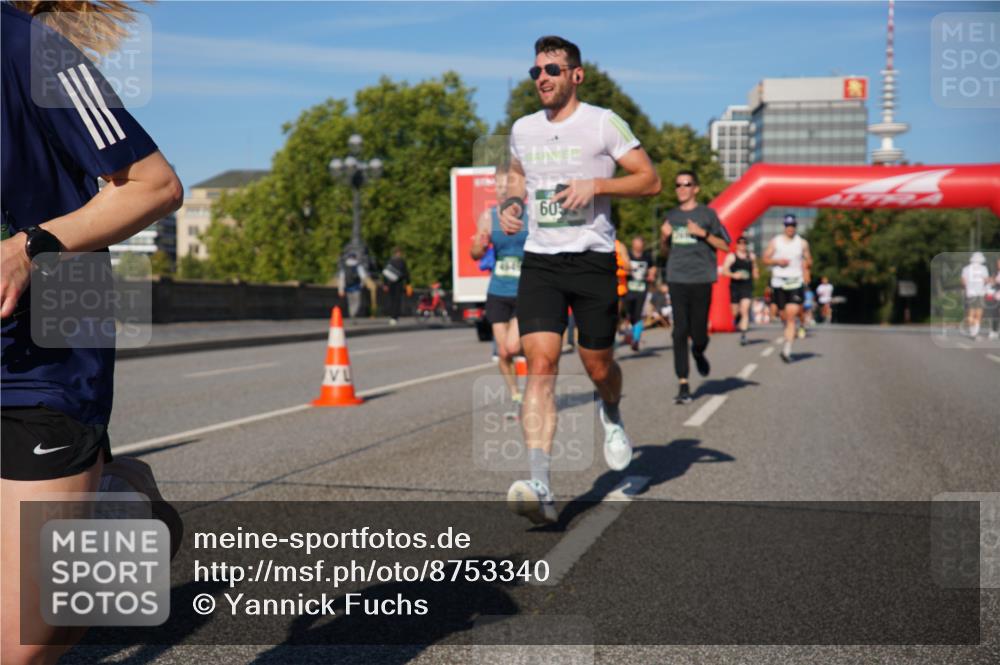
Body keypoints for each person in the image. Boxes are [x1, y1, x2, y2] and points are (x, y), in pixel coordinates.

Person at [1, 2, 184, 662]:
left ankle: (114, 496)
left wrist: (30, 246)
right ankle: (107, 504)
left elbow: (154, 185)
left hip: (41, 351)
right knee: (58, 622)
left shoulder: (33, 51)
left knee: (22, 643)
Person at [500, 35, 661, 525]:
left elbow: (649, 179)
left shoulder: (602, 122)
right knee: (541, 364)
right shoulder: (523, 129)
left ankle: (610, 411)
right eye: (536, 72)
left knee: (597, 367)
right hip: (541, 263)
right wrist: (510, 204)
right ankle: (540, 484)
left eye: (551, 69)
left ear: (576, 75)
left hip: (592, 261)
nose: (542, 79)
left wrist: (598, 184)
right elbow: (515, 175)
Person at [660, 170, 731, 404]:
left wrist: (703, 233)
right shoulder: (671, 215)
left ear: (696, 188)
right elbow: (664, 252)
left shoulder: (708, 214)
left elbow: (725, 245)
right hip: (676, 278)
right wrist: (663, 238)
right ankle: (683, 383)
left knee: (698, 332)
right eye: (678, 184)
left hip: (701, 279)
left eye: (686, 184)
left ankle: (699, 351)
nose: (681, 188)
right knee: (679, 330)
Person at [471, 163, 528, 407]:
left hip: (526, 289)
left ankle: (536, 382)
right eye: (499, 185)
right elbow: (474, 253)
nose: (503, 191)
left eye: (508, 185)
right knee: (503, 352)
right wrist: (480, 246)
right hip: (498, 290)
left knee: (515, 345)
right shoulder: (489, 216)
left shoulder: (531, 215)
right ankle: (516, 393)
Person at [763, 214, 812, 363]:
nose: (790, 228)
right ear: (784, 227)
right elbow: (765, 259)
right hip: (779, 282)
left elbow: (809, 259)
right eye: (787, 225)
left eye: (792, 225)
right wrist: (777, 261)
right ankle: (788, 333)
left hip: (795, 282)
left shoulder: (802, 243)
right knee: (784, 316)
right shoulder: (776, 241)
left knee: (792, 315)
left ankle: (787, 349)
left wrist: (806, 265)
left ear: (795, 226)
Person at [721, 235, 757, 345]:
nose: (742, 245)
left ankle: (743, 335)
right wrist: (733, 275)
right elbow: (724, 271)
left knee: (745, 309)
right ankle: (738, 318)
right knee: (735, 311)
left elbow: (755, 268)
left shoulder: (751, 256)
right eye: (740, 243)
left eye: (744, 243)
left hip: (747, 286)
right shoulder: (732, 257)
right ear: (737, 245)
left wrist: (756, 273)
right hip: (735, 287)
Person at [624, 236, 656, 351]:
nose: (638, 248)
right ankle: (630, 334)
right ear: (633, 245)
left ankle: (635, 340)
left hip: (642, 289)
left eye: (640, 246)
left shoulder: (647, 256)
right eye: (636, 246)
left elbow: (653, 267)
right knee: (628, 314)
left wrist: (652, 274)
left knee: (638, 314)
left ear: (642, 246)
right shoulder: (627, 255)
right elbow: (622, 265)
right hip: (628, 289)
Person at [961, 251, 989, 340]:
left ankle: (972, 331)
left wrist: (968, 288)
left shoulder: (966, 269)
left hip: (970, 293)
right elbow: (986, 280)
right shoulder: (983, 268)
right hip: (980, 293)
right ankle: (975, 332)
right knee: (979, 313)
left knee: (970, 313)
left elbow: (963, 282)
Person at [337, 248, 372, 319]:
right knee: (357, 302)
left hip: (348, 287)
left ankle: (351, 313)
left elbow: (341, 279)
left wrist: (340, 290)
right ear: (355, 258)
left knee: (350, 302)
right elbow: (363, 277)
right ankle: (353, 313)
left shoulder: (344, 267)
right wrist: (362, 285)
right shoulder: (358, 266)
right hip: (356, 287)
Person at [381, 246, 410, 325]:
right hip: (398, 284)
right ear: (399, 253)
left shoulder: (389, 261)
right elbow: (406, 274)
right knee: (396, 301)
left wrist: (385, 284)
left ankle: (392, 317)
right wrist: (408, 284)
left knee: (392, 300)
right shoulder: (402, 262)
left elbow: (385, 274)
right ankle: (394, 317)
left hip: (390, 284)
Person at [614, 237, 632, 346]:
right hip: (601, 286)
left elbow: (628, 267)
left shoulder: (619, 246)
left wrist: (620, 260)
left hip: (619, 288)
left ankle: (614, 336)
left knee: (615, 314)